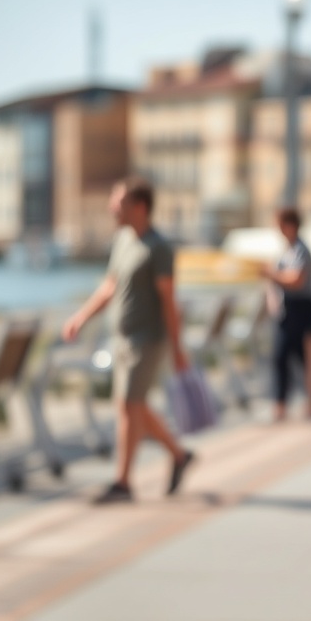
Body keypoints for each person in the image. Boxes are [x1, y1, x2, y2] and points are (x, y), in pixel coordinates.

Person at [62, 178, 194, 504]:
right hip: (121, 338)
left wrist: (178, 349)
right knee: (136, 406)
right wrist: (81, 317)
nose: (111, 209)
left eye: (117, 203)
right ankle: (179, 454)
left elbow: (168, 300)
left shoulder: (158, 248)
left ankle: (123, 482)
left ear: (139, 207)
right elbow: (109, 287)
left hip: (148, 340)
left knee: (127, 406)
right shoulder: (122, 240)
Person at [261, 207, 311, 422]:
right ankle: (281, 404)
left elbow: (297, 280)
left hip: (301, 308)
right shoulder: (286, 250)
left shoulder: (300, 250)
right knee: (281, 357)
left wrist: (271, 275)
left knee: (305, 359)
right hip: (286, 310)